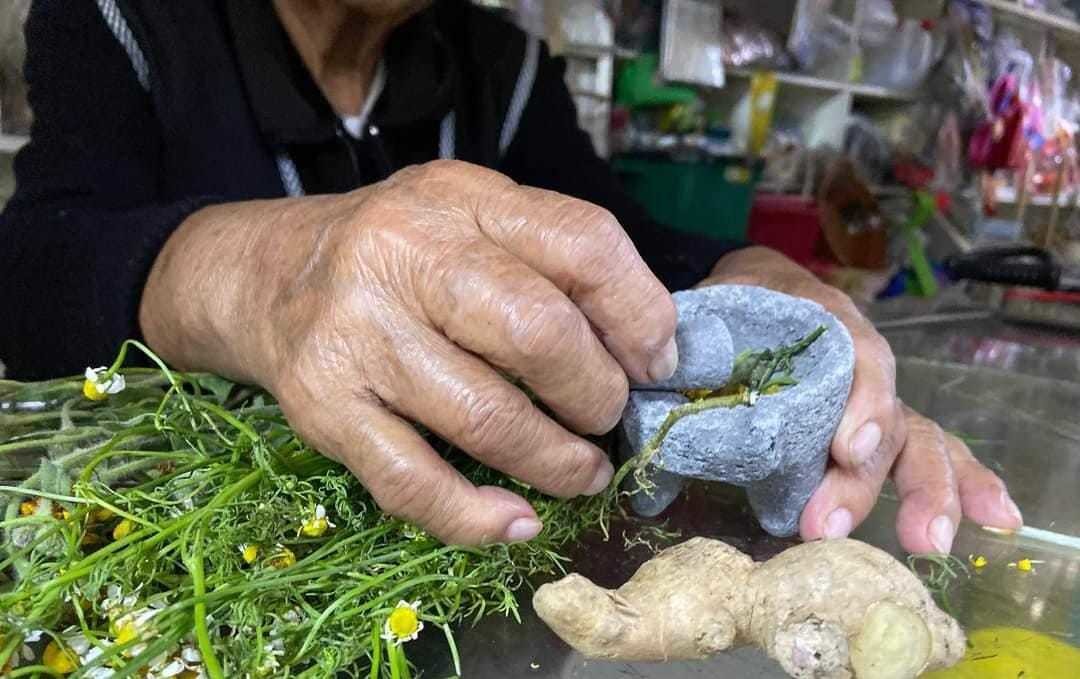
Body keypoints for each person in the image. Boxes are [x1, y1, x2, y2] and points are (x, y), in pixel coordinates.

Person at [0, 0, 1021, 551]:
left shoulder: (497, 61)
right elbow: (37, 270)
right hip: (207, 551)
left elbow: (616, 236)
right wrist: (265, 271)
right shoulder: (118, 20)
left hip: (467, 565)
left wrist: (746, 279)